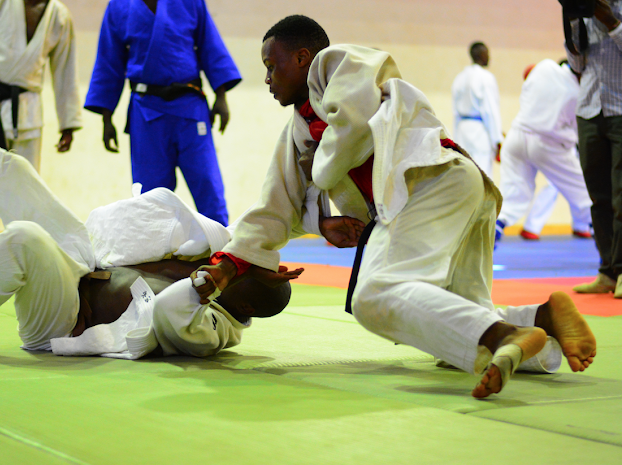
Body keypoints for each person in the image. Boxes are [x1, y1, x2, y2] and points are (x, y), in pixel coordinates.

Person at [192, 15, 597, 398]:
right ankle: (537, 320)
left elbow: (351, 125)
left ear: (301, 58)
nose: (267, 79)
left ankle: (499, 335)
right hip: (449, 187)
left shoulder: (337, 64)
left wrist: (317, 170)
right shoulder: (299, 130)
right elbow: (274, 206)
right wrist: (237, 261)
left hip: (428, 179)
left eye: (271, 65)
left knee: (375, 296)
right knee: (453, 323)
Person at [0, 105, 297, 359]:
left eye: (244, 272)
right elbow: (267, 218)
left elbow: (169, 314)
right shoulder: (216, 255)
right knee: (14, 172)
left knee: (24, 237)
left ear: (246, 300)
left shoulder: (216, 330)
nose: (234, 264)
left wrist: (203, 284)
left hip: (63, 320)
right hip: (82, 260)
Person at [84, 0, 242, 227]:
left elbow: (210, 45)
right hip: (146, 112)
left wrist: (221, 96)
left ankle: (221, 251)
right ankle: (152, 257)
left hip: (190, 107)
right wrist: (106, 117)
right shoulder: (119, 6)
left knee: (208, 185)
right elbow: (109, 62)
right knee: (149, 197)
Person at [0, 0, 83, 251]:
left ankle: (26, 253)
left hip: (29, 107)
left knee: (29, 189)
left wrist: (68, 122)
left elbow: (65, 68)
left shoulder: (59, 15)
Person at [495, 60, 593, 243]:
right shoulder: (579, 93)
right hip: (548, 144)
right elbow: (580, 130)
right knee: (584, 194)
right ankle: (607, 243)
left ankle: (496, 226)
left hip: (517, 135)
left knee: (514, 193)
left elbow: (527, 83)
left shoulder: (544, 66)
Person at [566, 0, 622, 297]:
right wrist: (574, 22)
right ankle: (607, 271)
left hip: (621, 111)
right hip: (589, 109)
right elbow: (576, 65)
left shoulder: (614, 10)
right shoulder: (582, 9)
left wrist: (612, 22)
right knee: (598, 196)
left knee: (621, 196)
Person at [451, 41, 503, 179]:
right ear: (480, 55)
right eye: (487, 54)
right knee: (482, 177)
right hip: (480, 131)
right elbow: (490, 110)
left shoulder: (459, 78)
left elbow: (455, 113)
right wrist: (497, 139)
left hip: (462, 130)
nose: (489, 58)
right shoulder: (486, 78)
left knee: (464, 176)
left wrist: (455, 140)